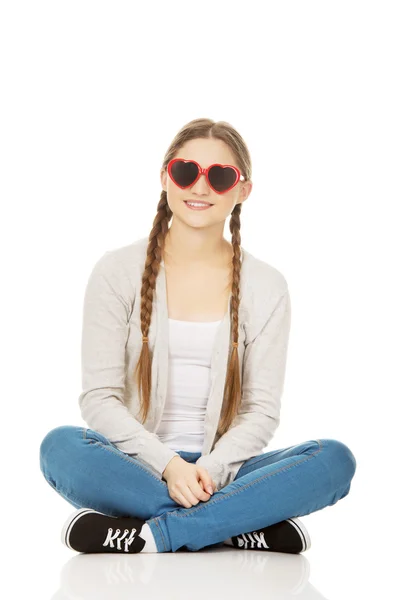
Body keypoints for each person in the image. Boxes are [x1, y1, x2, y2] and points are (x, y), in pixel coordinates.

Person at [39, 117, 357, 554]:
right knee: (60, 448)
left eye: (220, 176)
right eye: (186, 171)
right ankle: (235, 525)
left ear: (242, 190)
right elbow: (99, 398)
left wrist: (208, 469)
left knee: (334, 460)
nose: (200, 188)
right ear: (165, 177)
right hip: (136, 466)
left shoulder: (267, 286)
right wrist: (169, 466)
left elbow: (260, 412)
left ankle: (155, 534)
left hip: (224, 469)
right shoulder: (116, 272)